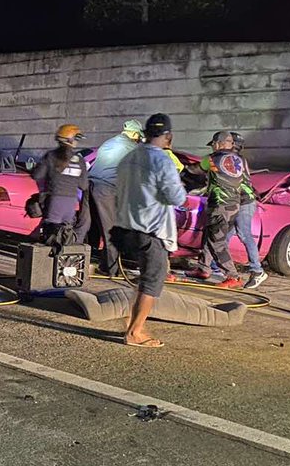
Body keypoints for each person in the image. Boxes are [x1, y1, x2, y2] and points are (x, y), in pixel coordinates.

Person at [111, 113, 188, 348]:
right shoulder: (162, 161)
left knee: (146, 278)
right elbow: (176, 197)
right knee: (152, 281)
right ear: (168, 136)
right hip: (151, 230)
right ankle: (135, 332)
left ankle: (134, 321)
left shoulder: (128, 158)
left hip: (127, 229)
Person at [87, 118, 143, 273]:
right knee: (111, 231)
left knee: (88, 228)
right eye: (138, 136)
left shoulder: (109, 142)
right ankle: (111, 270)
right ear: (134, 134)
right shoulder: (131, 147)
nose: (138, 140)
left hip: (90, 186)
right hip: (106, 189)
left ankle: (75, 262)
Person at [192, 130, 246, 288]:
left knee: (217, 241)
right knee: (210, 235)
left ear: (218, 143)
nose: (213, 146)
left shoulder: (212, 159)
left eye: (213, 144)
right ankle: (203, 268)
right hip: (234, 205)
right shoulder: (238, 160)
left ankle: (232, 276)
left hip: (220, 206)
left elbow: (194, 170)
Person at [31, 124, 91, 247]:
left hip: (54, 202)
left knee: (50, 236)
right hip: (70, 205)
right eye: (76, 139)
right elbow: (84, 185)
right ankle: (63, 264)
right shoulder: (79, 161)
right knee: (65, 236)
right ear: (70, 140)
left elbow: (36, 175)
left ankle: (46, 264)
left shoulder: (51, 156)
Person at [225, 131, 267, 289]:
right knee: (227, 233)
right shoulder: (235, 159)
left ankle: (257, 270)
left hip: (244, 201)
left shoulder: (234, 160)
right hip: (238, 200)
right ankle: (217, 266)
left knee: (243, 232)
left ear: (233, 145)